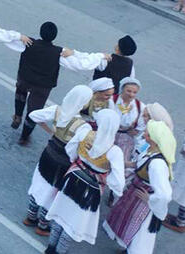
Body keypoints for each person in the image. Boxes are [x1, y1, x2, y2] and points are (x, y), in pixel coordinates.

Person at [44, 108, 125, 253]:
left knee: (61, 211)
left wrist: (79, 162)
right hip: (92, 188)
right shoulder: (114, 151)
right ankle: (60, 251)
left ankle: (50, 247)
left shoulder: (85, 133)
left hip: (73, 177)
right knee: (73, 221)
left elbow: (70, 150)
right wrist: (106, 178)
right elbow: (118, 183)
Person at [12, 22, 107, 146]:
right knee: (34, 109)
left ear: (40, 32)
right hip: (43, 86)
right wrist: (98, 56)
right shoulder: (59, 52)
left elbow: (7, 37)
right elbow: (80, 64)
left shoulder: (29, 43)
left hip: (25, 77)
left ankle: (17, 115)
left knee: (20, 93)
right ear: (54, 36)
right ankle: (24, 137)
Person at [23, 85, 93, 236]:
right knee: (53, 191)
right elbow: (72, 149)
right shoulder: (83, 126)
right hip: (63, 162)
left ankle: (30, 216)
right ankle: (42, 226)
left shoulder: (57, 110)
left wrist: (51, 132)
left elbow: (33, 115)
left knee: (40, 183)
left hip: (48, 153)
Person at [104, 119, 175, 254]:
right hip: (136, 194)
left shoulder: (157, 164)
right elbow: (139, 165)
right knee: (131, 226)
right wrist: (123, 163)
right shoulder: (150, 150)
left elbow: (165, 194)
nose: (144, 134)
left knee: (141, 234)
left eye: (147, 134)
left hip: (145, 202)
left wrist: (150, 199)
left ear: (154, 139)